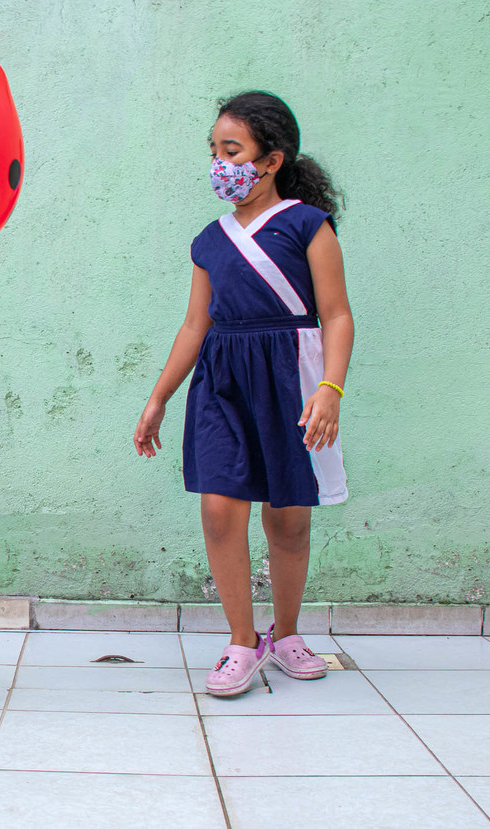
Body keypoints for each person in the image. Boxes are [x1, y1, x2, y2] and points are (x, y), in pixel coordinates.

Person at [133, 91, 354, 697]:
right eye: (214, 149)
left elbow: (335, 314)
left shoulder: (309, 225)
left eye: (232, 150)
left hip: (291, 380)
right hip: (222, 380)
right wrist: (159, 398)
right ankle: (241, 640)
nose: (219, 161)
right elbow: (193, 325)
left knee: (287, 519)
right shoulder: (210, 239)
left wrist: (330, 388)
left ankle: (286, 635)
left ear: (271, 160)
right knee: (218, 508)